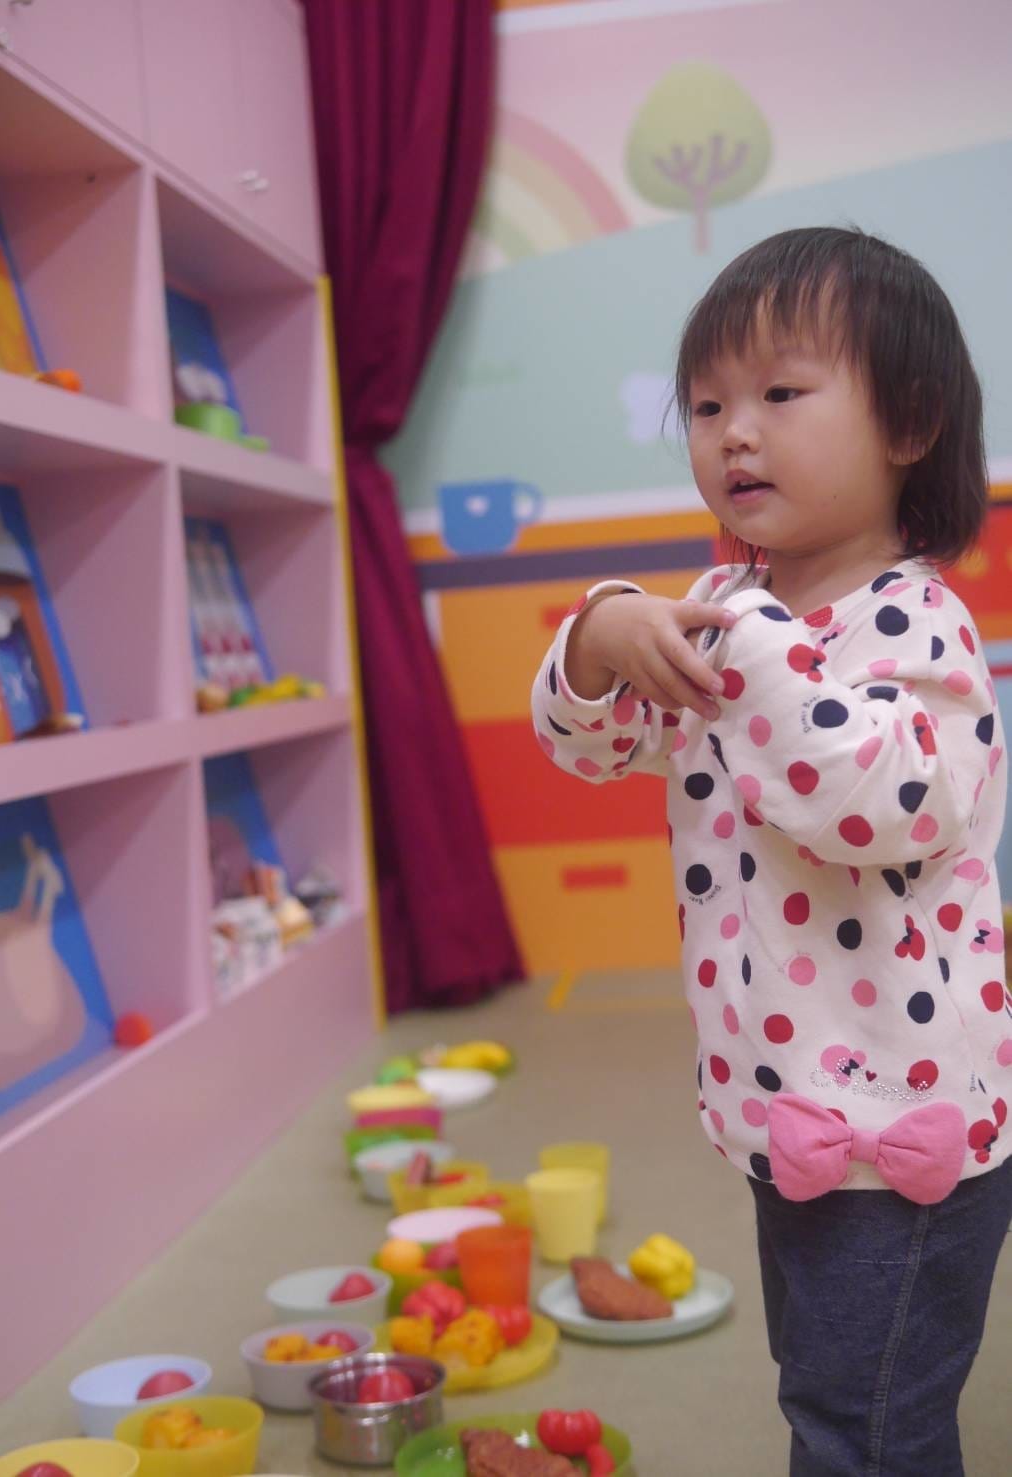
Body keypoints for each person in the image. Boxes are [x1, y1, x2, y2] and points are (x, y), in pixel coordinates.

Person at [531, 227, 1011, 1476]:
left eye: (780, 394)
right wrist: (597, 637)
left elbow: (872, 802)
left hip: (900, 1129)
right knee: (824, 1395)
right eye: (705, 406)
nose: (732, 433)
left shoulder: (917, 624)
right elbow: (593, 745)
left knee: (865, 1429)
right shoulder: (727, 614)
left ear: (908, 422)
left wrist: (742, 642)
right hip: (780, 1108)